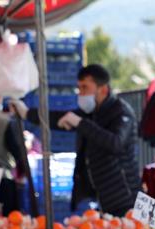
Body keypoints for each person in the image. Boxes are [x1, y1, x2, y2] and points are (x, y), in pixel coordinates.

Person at [11, 64, 141, 216]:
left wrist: (80, 123)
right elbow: (59, 117)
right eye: (79, 88)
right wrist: (27, 113)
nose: (81, 93)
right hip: (105, 197)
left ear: (103, 89)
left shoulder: (121, 111)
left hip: (128, 196)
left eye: (85, 88)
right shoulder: (92, 113)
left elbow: (115, 143)